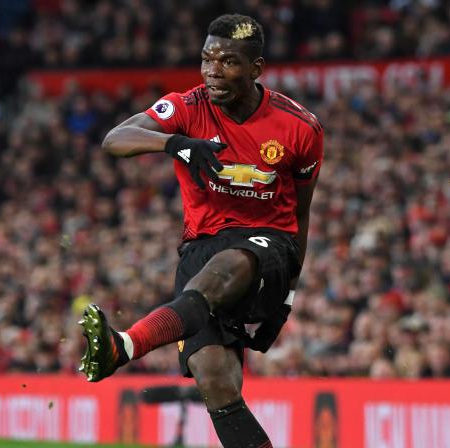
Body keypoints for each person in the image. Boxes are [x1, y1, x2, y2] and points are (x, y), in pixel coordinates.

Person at [79, 14, 323, 448]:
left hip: (268, 243)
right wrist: (175, 142)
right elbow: (115, 139)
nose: (212, 71)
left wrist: (289, 293)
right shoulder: (188, 107)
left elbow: (300, 214)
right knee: (217, 384)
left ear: (256, 69)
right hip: (201, 247)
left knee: (229, 265)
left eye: (228, 61)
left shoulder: (300, 128)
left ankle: (125, 346)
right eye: (207, 59)